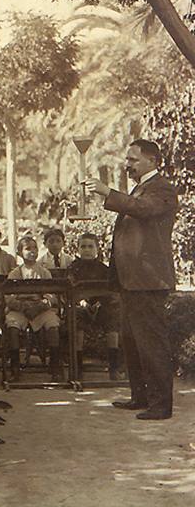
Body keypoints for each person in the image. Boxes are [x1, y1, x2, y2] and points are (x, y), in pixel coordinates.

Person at [86, 139, 178, 420]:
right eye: (127, 159)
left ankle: (161, 405)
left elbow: (143, 209)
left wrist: (107, 192)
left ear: (153, 161)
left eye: (133, 160)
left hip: (148, 281)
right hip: (132, 281)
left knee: (151, 343)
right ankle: (141, 397)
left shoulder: (162, 188)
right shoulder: (140, 188)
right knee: (132, 341)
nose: (127, 164)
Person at [5, 236, 62, 381]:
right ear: (19, 253)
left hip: (40, 309)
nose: (32, 251)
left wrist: (42, 305)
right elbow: (8, 297)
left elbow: (51, 295)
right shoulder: (15, 273)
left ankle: (55, 366)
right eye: (27, 248)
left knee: (53, 325)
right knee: (12, 326)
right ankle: (15, 368)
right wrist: (22, 306)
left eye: (34, 248)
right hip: (21, 309)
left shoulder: (44, 272)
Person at [69, 233, 121, 379]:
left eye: (90, 246)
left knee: (112, 321)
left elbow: (110, 291)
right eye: (83, 246)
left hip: (101, 306)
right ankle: (78, 369)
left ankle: (113, 368)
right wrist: (81, 301)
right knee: (77, 321)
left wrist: (101, 302)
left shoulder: (104, 269)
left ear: (97, 249)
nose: (87, 250)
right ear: (78, 249)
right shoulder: (73, 268)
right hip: (81, 306)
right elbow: (70, 290)